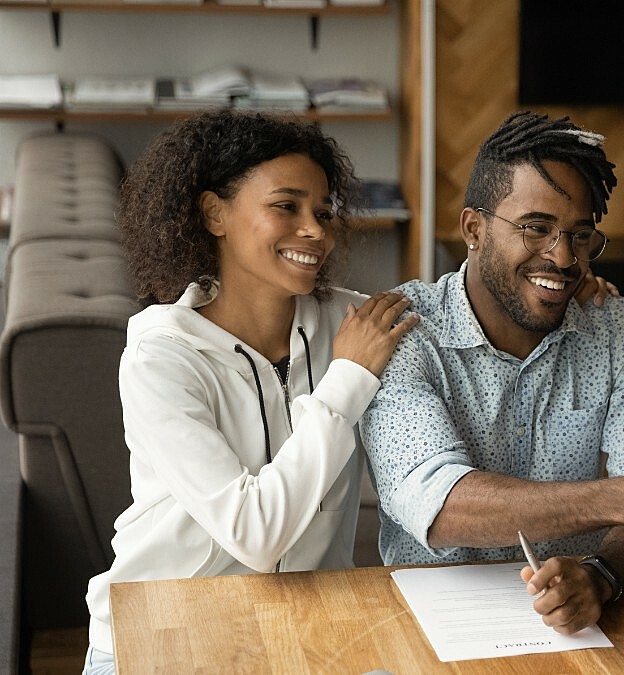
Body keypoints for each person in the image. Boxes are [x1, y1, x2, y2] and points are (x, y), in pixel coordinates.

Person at [360, 111, 624, 635]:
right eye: (537, 228)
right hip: (433, 624)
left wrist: (601, 576)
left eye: (580, 235)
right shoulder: (401, 333)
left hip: (587, 625)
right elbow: (440, 506)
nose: (564, 257)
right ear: (474, 229)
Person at [82, 109, 421, 674]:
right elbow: (254, 534)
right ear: (215, 213)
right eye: (286, 206)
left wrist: (567, 296)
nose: (315, 230)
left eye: (323, 212)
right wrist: (348, 380)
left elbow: (459, 317)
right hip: (164, 634)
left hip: (303, 632)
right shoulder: (161, 356)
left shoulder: (350, 321)